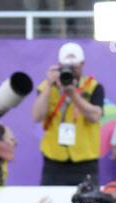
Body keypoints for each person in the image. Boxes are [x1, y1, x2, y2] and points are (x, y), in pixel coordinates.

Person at [32, 42, 105, 186]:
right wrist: (48, 85)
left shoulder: (94, 86)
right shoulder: (47, 87)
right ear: (59, 65)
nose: (70, 71)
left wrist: (73, 94)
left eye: (74, 67)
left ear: (83, 64)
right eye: (66, 67)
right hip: (54, 160)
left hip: (85, 161)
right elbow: (36, 116)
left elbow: (95, 116)